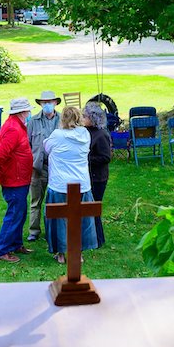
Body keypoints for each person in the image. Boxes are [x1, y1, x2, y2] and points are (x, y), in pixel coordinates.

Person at [43, 106, 97, 264]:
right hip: (81, 184)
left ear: (63, 119)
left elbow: (47, 148)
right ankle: (77, 253)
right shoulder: (85, 134)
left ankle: (61, 253)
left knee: (60, 219)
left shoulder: (57, 135)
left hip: (60, 184)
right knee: (79, 219)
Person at [0, 98, 34, 263]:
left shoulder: (16, 125)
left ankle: (16, 244)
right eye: (28, 111)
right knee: (14, 214)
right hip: (15, 181)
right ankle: (1, 250)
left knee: (20, 214)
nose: (29, 113)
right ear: (22, 112)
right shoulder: (14, 128)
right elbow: (0, 155)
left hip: (20, 178)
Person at [26, 90, 61, 242]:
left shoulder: (63, 120)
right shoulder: (33, 121)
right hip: (37, 168)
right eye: (44, 102)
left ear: (55, 103)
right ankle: (34, 231)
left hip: (57, 168)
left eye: (50, 102)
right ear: (40, 104)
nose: (47, 105)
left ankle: (51, 231)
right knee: (35, 201)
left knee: (54, 202)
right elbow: (27, 145)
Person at [82, 102, 112, 248]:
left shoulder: (101, 135)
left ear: (92, 118)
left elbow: (106, 157)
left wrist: (87, 159)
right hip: (89, 176)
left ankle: (98, 239)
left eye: (85, 116)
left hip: (98, 178)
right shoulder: (85, 131)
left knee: (94, 208)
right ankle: (91, 238)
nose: (82, 118)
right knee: (88, 208)